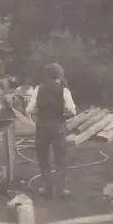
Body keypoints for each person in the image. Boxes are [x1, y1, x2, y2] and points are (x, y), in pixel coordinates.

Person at [25, 63, 77, 198]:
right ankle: (59, 190)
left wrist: (41, 110)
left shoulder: (38, 89)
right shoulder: (63, 90)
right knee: (60, 159)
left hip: (42, 127)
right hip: (58, 127)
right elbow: (72, 110)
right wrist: (61, 112)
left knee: (43, 158)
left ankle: (47, 188)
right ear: (59, 75)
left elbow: (29, 110)